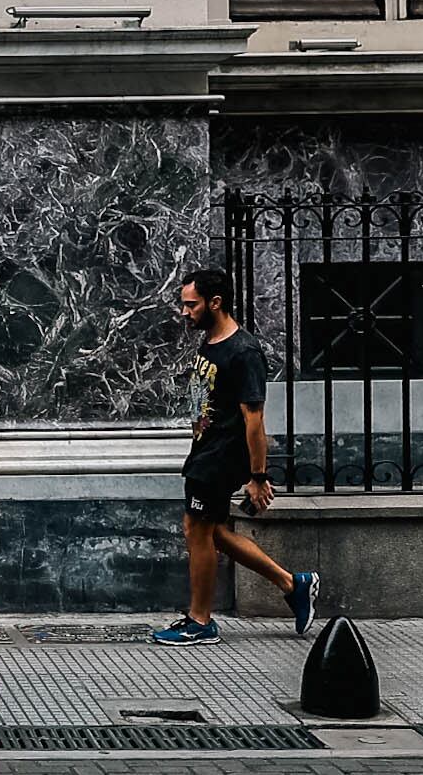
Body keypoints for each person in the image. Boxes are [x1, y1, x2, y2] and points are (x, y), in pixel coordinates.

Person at [155, 269, 318, 645]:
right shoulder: (212, 341)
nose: (184, 311)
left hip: (221, 457)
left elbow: (254, 419)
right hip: (206, 450)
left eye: (191, 304)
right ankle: (293, 584)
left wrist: (257, 476)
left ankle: (200, 621)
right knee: (212, 531)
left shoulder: (243, 351)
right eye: (183, 303)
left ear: (216, 303)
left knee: (196, 530)